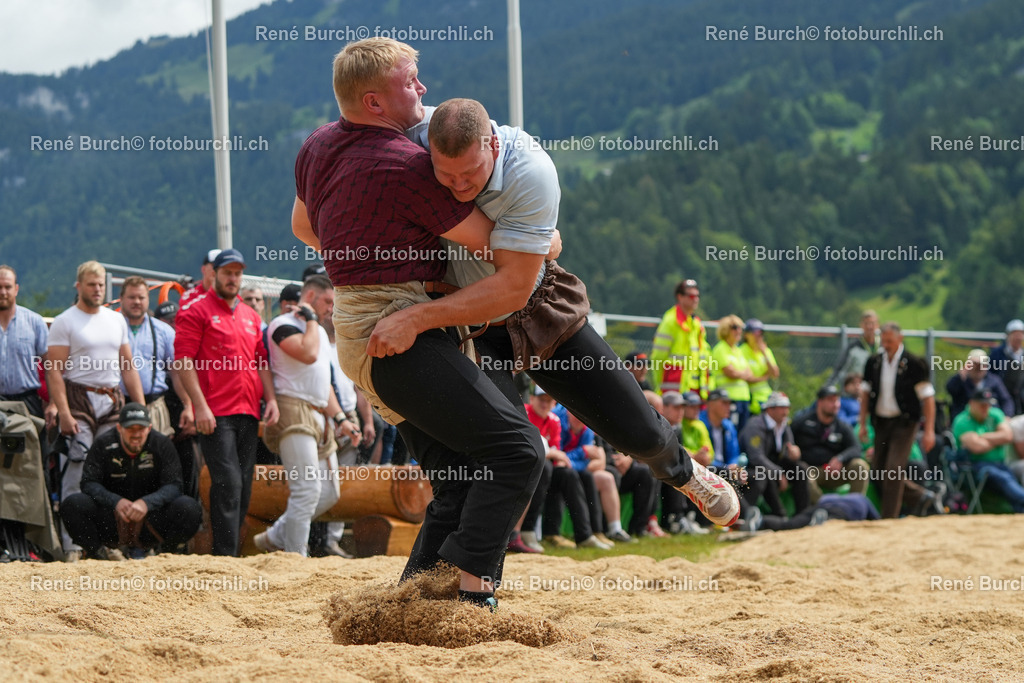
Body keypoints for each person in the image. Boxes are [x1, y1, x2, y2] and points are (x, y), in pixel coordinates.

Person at [375, 96, 741, 537]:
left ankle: (685, 474)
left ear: (492, 143)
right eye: (445, 175)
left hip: (538, 310)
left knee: (639, 430)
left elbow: (511, 284)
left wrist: (424, 314)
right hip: (469, 328)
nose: (457, 186)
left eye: (469, 173)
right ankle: (472, 576)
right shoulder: (414, 141)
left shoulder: (531, 167)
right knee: (506, 452)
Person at [291, 38, 548, 609]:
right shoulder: (409, 165)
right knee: (518, 452)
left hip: (358, 331)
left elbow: (305, 228)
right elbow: (501, 248)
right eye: (412, 81)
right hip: (397, 332)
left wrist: (372, 251)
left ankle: (408, 607)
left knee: (457, 481)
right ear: (376, 101)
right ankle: (472, 597)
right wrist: (547, 238)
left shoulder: (316, 145)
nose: (423, 89)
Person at [174, 248, 279, 556]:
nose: (232, 279)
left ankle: (232, 552)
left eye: (237, 273)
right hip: (215, 412)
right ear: (214, 274)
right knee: (228, 481)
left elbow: (261, 361)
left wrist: (270, 399)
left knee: (244, 484)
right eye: (227, 273)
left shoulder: (250, 315)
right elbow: (183, 360)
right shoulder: (196, 311)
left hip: (248, 410)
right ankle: (224, 556)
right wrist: (199, 406)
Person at [45, 261, 146, 561]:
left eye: (101, 284)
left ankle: (105, 543)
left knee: (112, 473)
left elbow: (128, 367)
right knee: (76, 469)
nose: (97, 289)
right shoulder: (65, 321)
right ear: (78, 286)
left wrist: (139, 408)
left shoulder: (116, 321)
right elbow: (54, 372)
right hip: (79, 400)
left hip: (111, 400)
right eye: (91, 284)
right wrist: (63, 412)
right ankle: (72, 545)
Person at [254, 276, 361, 556]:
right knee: (307, 490)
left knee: (329, 493)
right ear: (310, 295)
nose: (331, 309)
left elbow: (323, 382)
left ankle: (274, 537)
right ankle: (295, 557)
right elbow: (309, 354)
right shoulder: (283, 324)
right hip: (292, 409)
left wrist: (341, 419)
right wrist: (312, 319)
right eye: (327, 302)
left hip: (318, 414)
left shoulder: (319, 333)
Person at [59, 403, 202, 560]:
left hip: (151, 519)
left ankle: (165, 554)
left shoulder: (162, 444)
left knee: (189, 507)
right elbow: (88, 483)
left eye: (141, 429)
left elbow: (175, 485)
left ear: (149, 428)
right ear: (119, 428)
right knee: (73, 504)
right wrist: (116, 502)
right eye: (130, 429)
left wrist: (146, 503)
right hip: (112, 517)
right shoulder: (103, 443)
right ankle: (98, 555)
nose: (136, 435)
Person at [859, 321, 941, 518]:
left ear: (900, 339)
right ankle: (921, 496)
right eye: (883, 340)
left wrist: (929, 431)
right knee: (879, 469)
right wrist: (862, 423)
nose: (885, 344)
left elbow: (928, 400)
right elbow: (864, 394)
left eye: (889, 341)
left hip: (905, 423)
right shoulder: (873, 362)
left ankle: (889, 518)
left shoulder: (915, 364)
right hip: (881, 422)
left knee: (894, 469)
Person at [527, 387, 610, 550]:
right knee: (557, 472)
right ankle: (529, 531)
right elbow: (556, 454)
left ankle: (592, 532)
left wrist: (573, 459)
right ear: (531, 399)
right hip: (529, 467)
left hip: (554, 466)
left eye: (548, 400)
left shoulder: (556, 421)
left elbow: (563, 457)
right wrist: (581, 453)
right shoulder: (531, 415)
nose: (545, 404)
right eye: (541, 399)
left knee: (581, 475)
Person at [118, 276, 185, 438]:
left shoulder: (164, 331)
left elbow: (177, 373)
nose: (137, 302)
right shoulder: (111, 328)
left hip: (154, 407)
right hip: (118, 408)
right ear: (121, 299)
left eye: (141, 297)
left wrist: (188, 405)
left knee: (156, 458)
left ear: (148, 299)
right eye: (131, 297)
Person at [791, 385, 870, 501]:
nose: (836, 404)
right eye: (830, 400)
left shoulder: (842, 426)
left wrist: (840, 458)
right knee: (803, 474)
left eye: (837, 400)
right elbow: (787, 442)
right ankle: (826, 509)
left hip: (834, 472)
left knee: (860, 466)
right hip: (810, 470)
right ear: (819, 402)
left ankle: (854, 508)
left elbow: (856, 448)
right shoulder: (802, 422)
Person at [739, 392, 809, 517]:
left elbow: (787, 450)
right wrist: (778, 472)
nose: (786, 411)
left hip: (774, 466)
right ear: (770, 409)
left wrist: (794, 454)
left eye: (787, 408)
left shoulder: (783, 424)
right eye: (782, 407)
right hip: (753, 468)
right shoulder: (755, 425)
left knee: (801, 469)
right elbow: (756, 457)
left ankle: (802, 513)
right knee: (766, 474)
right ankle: (779, 515)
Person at [953, 388, 1024, 512]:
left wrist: (981, 436)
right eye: (982, 405)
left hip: (1001, 463)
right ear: (972, 403)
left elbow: (1008, 436)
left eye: (988, 404)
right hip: (977, 467)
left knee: (1008, 476)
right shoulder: (962, 420)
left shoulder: (995, 413)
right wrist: (998, 439)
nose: (986, 408)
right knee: (1004, 478)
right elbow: (977, 447)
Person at [0, 265, 48, 418]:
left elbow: (51, 367)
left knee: (29, 442)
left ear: (16, 289)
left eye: (7, 287)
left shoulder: (34, 322)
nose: (3, 292)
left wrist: (54, 403)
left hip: (27, 403)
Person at [650, 279, 710, 396]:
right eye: (691, 296)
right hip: (674, 388)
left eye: (697, 296)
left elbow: (703, 357)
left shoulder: (696, 324)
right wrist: (660, 385)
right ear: (680, 297)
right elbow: (658, 357)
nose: (696, 299)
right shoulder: (671, 321)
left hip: (695, 388)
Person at [945, 348, 1014, 420]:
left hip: (991, 421)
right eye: (975, 364)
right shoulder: (961, 381)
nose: (978, 368)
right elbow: (950, 389)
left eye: (982, 365)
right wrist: (960, 376)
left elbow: (1006, 400)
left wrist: (1007, 416)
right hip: (967, 421)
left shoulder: (994, 380)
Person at [711, 314, 754, 429]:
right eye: (734, 327)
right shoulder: (720, 348)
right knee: (731, 429)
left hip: (744, 398)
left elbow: (749, 373)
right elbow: (729, 372)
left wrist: (739, 374)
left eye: (740, 327)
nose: (739, 331)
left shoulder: (738, 350)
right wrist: (742, 374)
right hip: (729, 399)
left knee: (742, 430)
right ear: (725, 330)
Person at [828, 310, 880, 386]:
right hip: (857, 389)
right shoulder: (853, 346)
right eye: (866, 323)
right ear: (861, 325)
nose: (869, 327)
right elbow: (840, 368)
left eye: (872, 323)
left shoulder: (883, 345)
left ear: (877, 325)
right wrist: (828, 386)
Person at [740, 319, 778, 415]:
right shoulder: (741, 351)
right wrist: (764, 376)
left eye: (760, 334)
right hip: (750, 399)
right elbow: (747, 378)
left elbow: (775, 373)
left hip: (766, 398)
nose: (758, 337)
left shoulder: (765, 351)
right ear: (746, 335)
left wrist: (764, 353)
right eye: (754, 333)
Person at [990, 319, 1024, 415]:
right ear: (1008, 336)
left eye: (1021, 334)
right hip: (1001, 396)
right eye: (1015, 334)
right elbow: (990, 375)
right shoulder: (997, 354)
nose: (1018, 337)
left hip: (1020, 398)